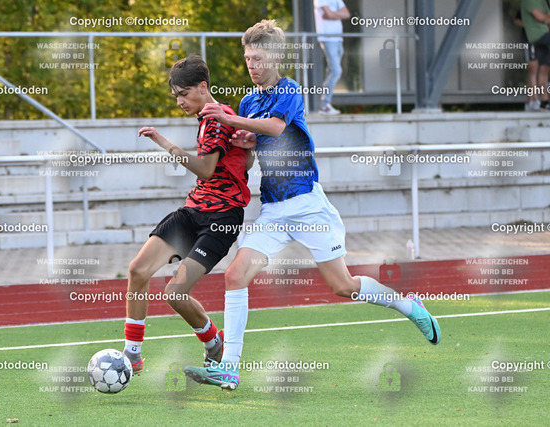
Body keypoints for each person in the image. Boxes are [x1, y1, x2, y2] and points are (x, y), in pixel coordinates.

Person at [184, 20, 440, 391]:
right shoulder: (248, 102)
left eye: (258, 58)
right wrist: (245, 143)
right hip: (273, 209)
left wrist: (228, 118)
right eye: (248, 58)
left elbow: (275, 127)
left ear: (275, 58)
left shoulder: (289, 89)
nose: (251, 65)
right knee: (235, 275)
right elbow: (257, 149)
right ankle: (230, 368)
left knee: (343, 286)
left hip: (307, 206)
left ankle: (407, 306)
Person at [124, 55, 251, 374]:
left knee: (175, 292)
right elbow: (242, 161)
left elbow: (206, 170)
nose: (180, 101)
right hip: (194, 210)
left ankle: (213, 343)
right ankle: (131, 355)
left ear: (203, 87)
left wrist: (164, 144)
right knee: (138, 270)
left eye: (184, 93)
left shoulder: (218, 118)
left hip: (221, 219)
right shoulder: (212, 116)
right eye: (176, 96)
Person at [314, 0, 350, 115]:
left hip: (338, 39)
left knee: (332, 71)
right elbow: (329, 15)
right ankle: (324, 105)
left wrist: (333, 14)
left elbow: (347, 14)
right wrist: (337, 15)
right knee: (336, 71)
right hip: (327, 38)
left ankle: (326, 104)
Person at [521, 0, 550, 110]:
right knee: (534, 70)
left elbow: (547, 17)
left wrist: (546, 18)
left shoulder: (543, 2)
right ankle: (533, 100)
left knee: (544, 69)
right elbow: (540, 17)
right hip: (537, 36)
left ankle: (545, 101)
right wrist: (545, 18)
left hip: (544, 35)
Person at [515, 10, 541, 111]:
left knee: (534, 72)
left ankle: (529, 101)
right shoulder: (525, 7)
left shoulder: (542, 7)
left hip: (539, 40)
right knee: (533, 71)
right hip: (529, 41)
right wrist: (528, 25)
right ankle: (535, 99)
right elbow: (517, 20)